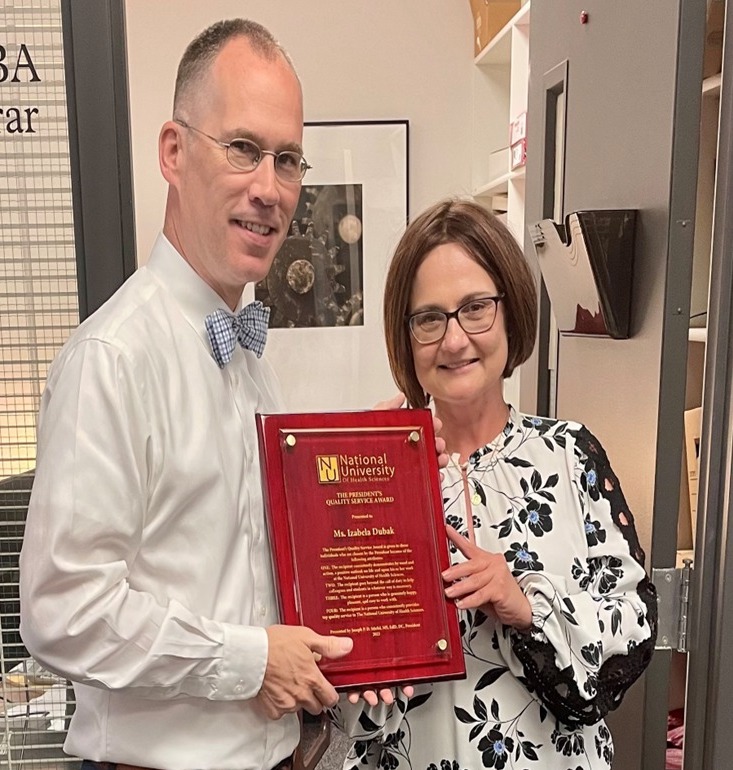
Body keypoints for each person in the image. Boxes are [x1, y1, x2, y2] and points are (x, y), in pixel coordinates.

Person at [19, 19, 355, 770]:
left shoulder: (253, 362)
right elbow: (61, 611)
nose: (268, 189)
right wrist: (247, 661)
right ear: (173, 151)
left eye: (287, 160)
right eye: (242, 149)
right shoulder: (113, 358)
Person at [330, 198, 658, 769]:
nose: (454, 340)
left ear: (510, 312)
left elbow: (631, 629)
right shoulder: (374, 479)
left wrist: (524, 604)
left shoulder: (569, 455)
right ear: (406, 336)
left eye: (475, 308)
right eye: (429, 318)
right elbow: (344, 699)